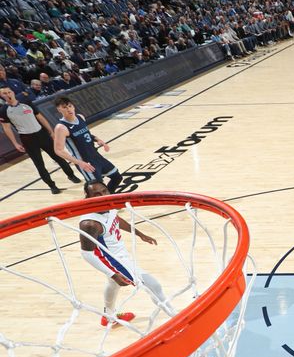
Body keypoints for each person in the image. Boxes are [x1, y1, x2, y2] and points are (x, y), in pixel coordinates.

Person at [79, 181, 175, 327]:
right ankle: (177, 318)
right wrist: (113, 273)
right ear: (88, 197)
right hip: (114, 261)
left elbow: (115, 219)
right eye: (96, 194)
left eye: (104, 191)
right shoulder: (90, 223)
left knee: (112, 285)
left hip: (120, 254)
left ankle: (108, 316)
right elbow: (87, 254)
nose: (102, 196)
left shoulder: (108, 205)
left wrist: (140, 234)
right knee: (153, 286)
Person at [0, 85, 80, 194]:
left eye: (9, 92)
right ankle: (52, 186)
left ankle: (71, 175)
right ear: (1, 96)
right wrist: (15, 143)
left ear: (13, 92)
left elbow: (40, 117)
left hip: (41, 134)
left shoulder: (26, 103)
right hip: (27, 138)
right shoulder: (4, 110)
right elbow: (6, 128)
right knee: (39, 164)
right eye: (4, 93)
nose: (8, 94)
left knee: (58, 156)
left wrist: (50, 131)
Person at [52, 96, 123, 192]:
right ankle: (100, 205)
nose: (69, 109)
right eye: (65, 107)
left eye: (70, 106)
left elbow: (87, 134)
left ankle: (108, 199)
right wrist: (79, 162)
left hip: (97, 157)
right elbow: (58, 150)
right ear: (59, 109)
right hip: (85, 162)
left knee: (117, 177)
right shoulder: (61, 127)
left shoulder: (80, 117)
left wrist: (98, 139)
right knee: (97, 188)